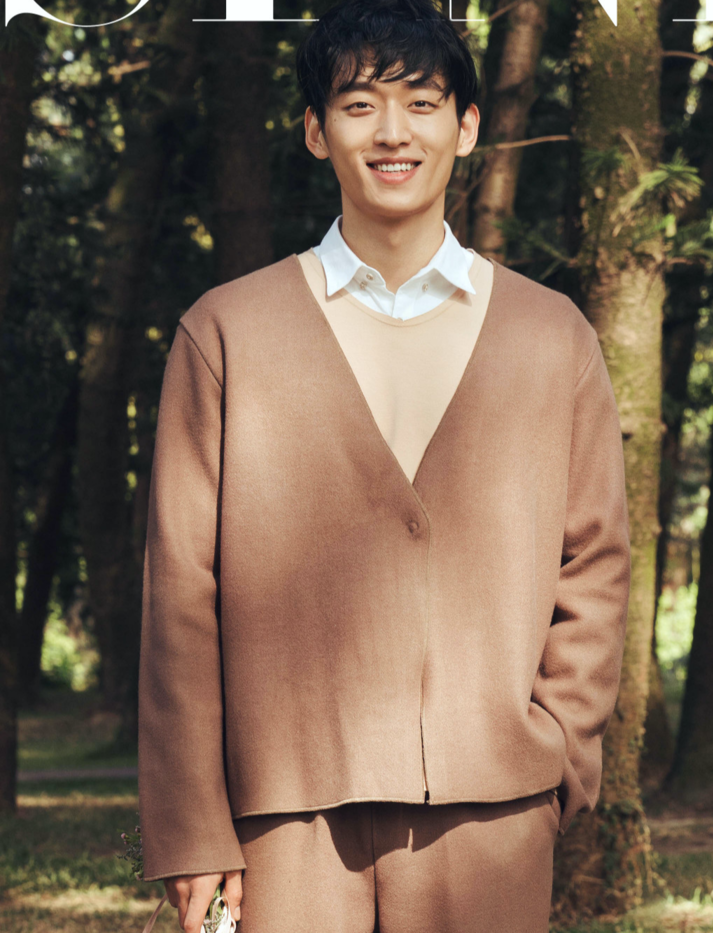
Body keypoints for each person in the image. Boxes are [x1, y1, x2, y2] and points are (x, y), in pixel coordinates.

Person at [135, 1, 631, 931]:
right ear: (315, 130)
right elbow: (181, 591)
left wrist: (559, 754)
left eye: (423, 103)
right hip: (279, 821)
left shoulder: (549, 336)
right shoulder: (227, 331)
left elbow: (594, 564)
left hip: (493, 809)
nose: (393, 132)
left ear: (467, 126)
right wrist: (193, 823)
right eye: (359, 105)